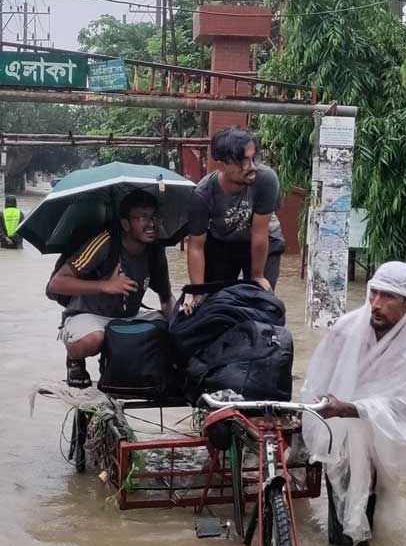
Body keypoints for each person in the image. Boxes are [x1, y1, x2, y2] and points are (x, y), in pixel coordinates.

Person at [299, 261, 406, 546]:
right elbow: (319, 382)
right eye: (374, 293)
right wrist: (329, 412)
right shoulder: (346, 329)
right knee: (344, 483)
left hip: (385, 433)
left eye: (388, 296)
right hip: (342, 431)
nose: (376, 304)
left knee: (374, 497)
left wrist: (352, 408)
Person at [47, 190, 174, 388]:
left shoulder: (155, 251)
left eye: (153, 217)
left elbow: (166, 299)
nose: (150, 224)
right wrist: (106, 286)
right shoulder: (104, 243)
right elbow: (57, 283)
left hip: (128, 317)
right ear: (125, 224)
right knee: (94, 339)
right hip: (89, 315)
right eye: (141, 218)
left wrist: (179, 324)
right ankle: (74, 358)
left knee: (168, 331)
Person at [184, 127, 286, 313]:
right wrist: (197, 293)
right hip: (223, 244)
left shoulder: (266, 180)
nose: (252, 166)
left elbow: (259, 232)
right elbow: (196, 246)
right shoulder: (203, 194)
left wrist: (257, 276)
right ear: (223, 163)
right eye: (243, 161)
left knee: (261, 303)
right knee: (213, 304)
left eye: (253, 158)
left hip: (264, 242)